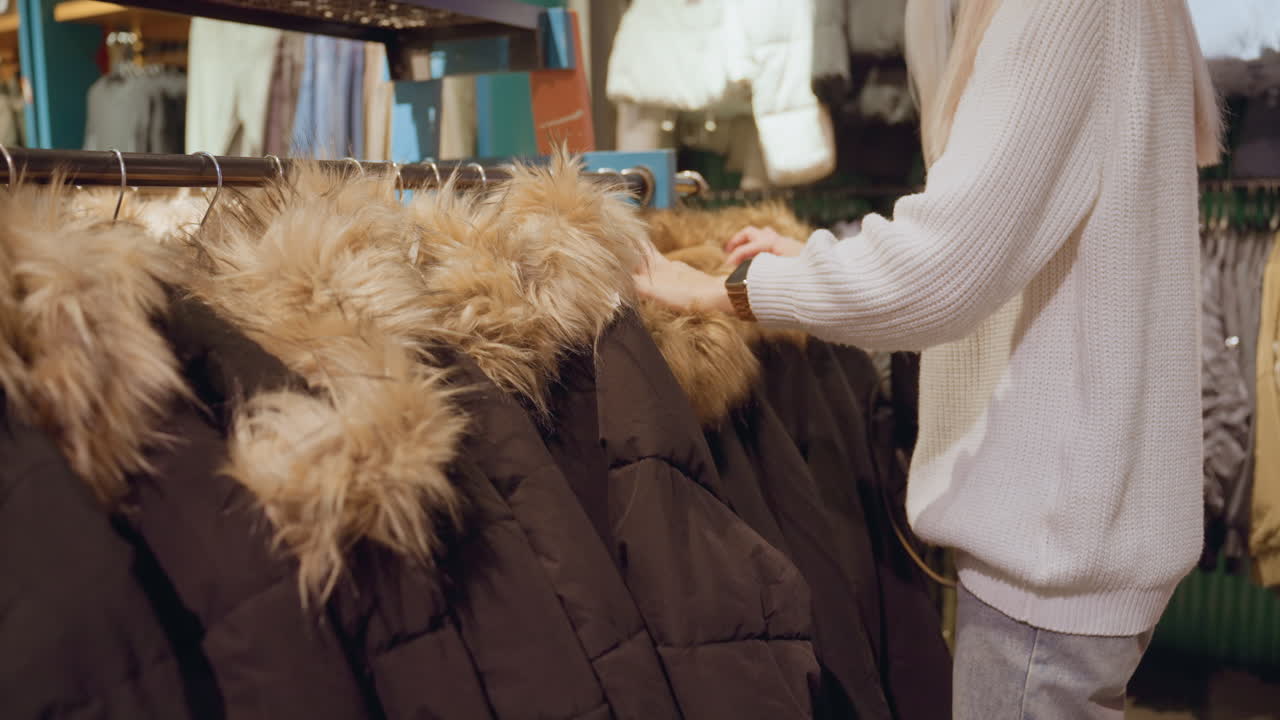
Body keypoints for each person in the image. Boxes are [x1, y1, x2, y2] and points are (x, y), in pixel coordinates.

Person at [634, 0, 1222, 717]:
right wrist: (823, 264)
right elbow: (1012, 237)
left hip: (1051, 544)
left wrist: (723, 291)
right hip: (1075, 529)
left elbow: (944, 271)